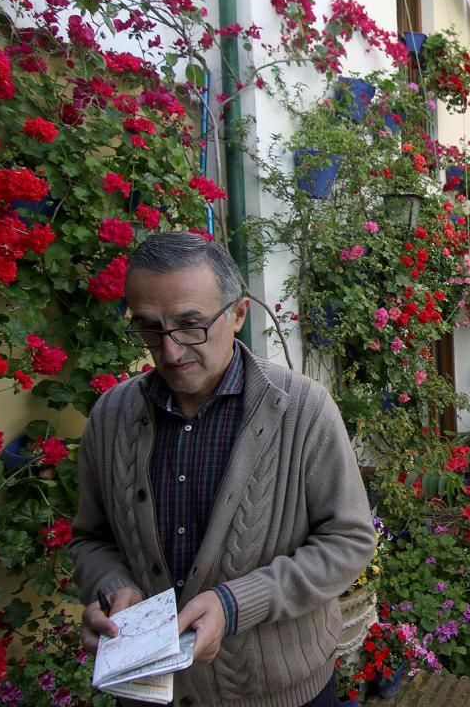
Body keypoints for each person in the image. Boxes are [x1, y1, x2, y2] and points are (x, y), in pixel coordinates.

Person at [69, 231, 375, 707]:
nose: (170, 352)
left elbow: (349, 540)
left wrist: (233, 605)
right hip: (149, 693)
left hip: (281, 693)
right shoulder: (110, 418)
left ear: (237, 313)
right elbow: (92, 539)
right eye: (150, 328)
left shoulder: (302, 410)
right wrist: (113, 590)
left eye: (191, 324)